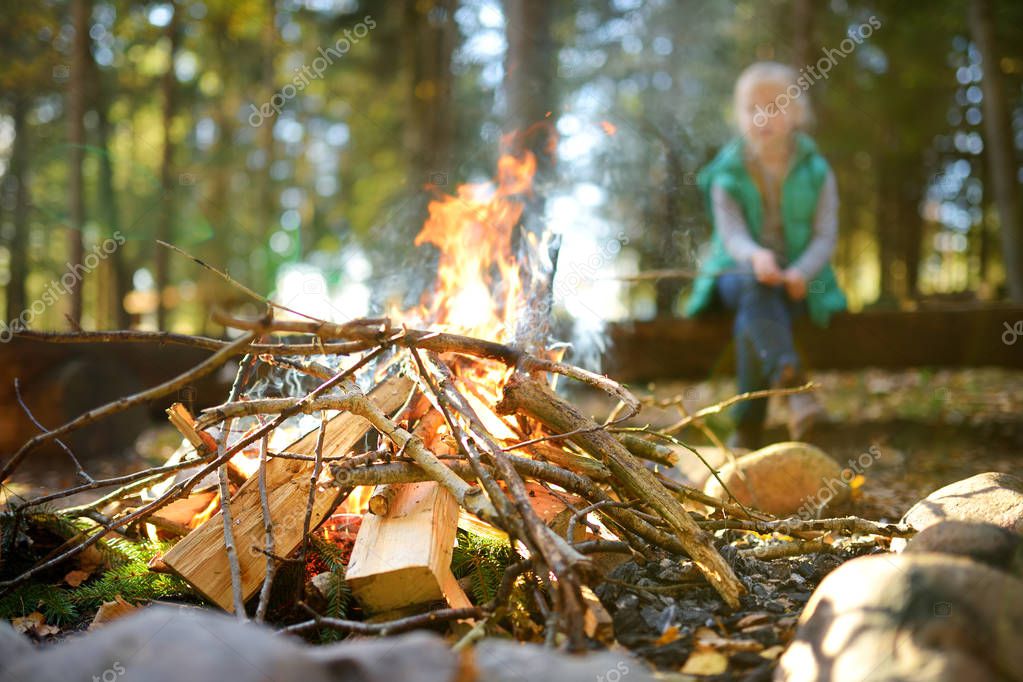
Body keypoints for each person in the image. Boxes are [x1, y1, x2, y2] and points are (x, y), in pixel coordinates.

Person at [683, 62, 847, 449]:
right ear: (739, 116)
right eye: (752, 108)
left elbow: (825, 235)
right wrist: (756, 256)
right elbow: (732, 234)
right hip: (735, 274)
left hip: (798, 282)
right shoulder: (725, 174)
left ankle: (748, 430)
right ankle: (795, 393)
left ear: (797, 114)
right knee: (754, 287)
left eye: (775, 106)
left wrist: (802, 271)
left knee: (753, 317)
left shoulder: (818, 172)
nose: (763, 116)